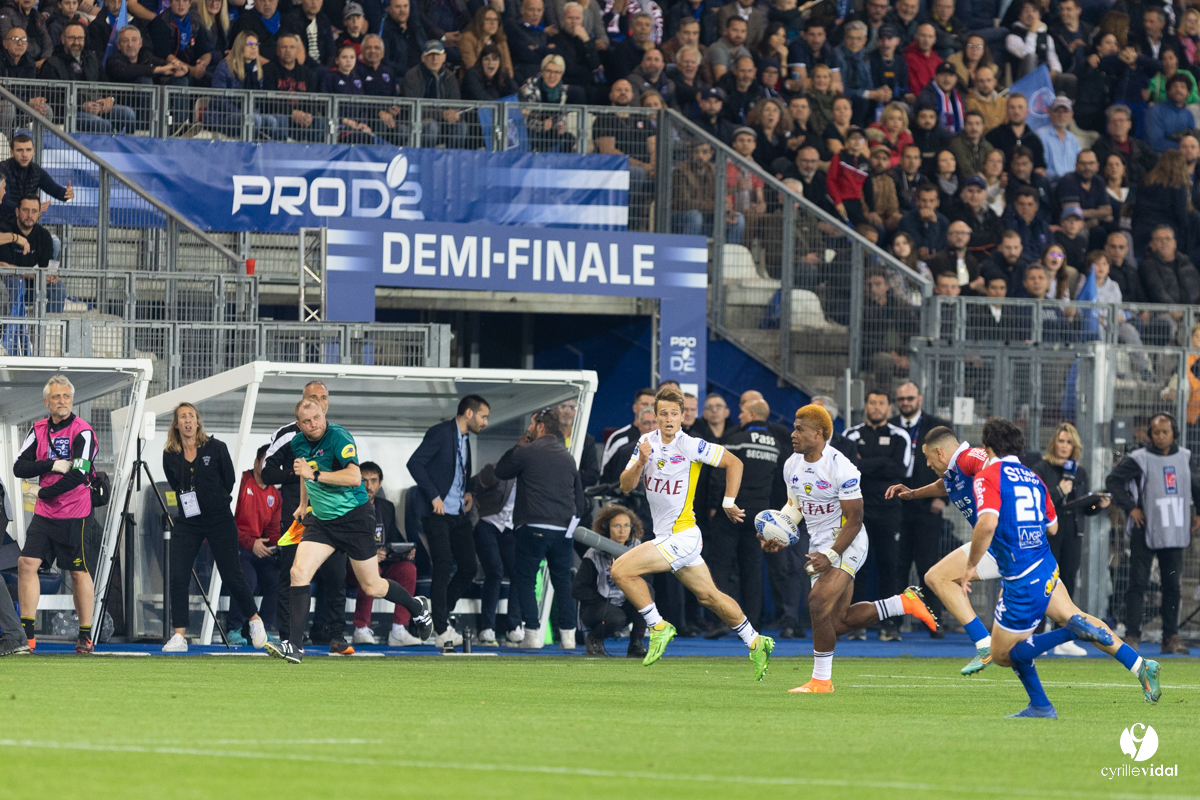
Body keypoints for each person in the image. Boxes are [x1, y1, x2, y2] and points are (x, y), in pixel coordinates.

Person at [886, 425, 1162, 701]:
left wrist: (972, 563)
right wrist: (913, 493)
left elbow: (990, 468)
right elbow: (948, 485)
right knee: (1071, 615)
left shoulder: (970, 458)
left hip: (1001, 546)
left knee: (938, 578)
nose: (927, 463)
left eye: (927, 457)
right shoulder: (956, 471)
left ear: (939, 451)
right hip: (1032, 550)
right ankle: (1140, 666)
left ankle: (984, 645)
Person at [761, 405, 936, 692]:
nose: (793, 434)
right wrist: (780, 533)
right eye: (794, 427)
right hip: (819, 544)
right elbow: (795, 507)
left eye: (799, 429)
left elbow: (855, 519)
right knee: (837, 621)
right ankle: (902, 604)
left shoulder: (841, 466)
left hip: (848, 540)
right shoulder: (791, 464)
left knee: (817, 603)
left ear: (818, 434)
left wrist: (830, 556)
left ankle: (821, 681)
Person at [964, 417, 1131, 718]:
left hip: (1020, 574)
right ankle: (1040, 705)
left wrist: (970, 567)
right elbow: (1052, 526)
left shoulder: (988, 475)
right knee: (1015, 649)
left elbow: (987, 522)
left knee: (1002, 654)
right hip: (1045, 565)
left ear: (986, 448)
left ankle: (1072, 633)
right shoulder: (1034, 478)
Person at [609, 387, 774, 675]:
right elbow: (625, 486)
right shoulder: (646, 442)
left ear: (683, 416)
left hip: (683, 535)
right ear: (655, 417)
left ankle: (658, 627)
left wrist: (728, 501)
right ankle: (756, 641)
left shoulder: (691, 445)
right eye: (664, 414)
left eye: (675, 414)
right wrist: (640, 462)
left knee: (621, 570)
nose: (670, 419)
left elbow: (734, 463)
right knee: (710, 597)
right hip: (667, 537)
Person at [265, 399, 433, 664]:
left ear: (324, 414)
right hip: (321, 521)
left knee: (372, 586)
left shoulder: (338, 436)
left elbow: (354, 477)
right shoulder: (297, 442)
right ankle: (294, 646)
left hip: (354, 518)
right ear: (299, 425)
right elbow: (303, 474)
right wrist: (302, 504)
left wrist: (316, 475)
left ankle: (417, 607)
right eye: (307, 422)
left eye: (317, 418)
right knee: (298, 573)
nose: (314, 425)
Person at [159, 403, 267, 654]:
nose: (187, 421)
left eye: (192, 416)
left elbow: (229, 481)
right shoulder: (169, 454)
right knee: (178, 576)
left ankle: (254, 620)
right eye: (182, 417)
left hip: (219, 517)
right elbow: (175, 484)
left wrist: (212, 499)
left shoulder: (216, 448)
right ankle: (179, 636)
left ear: (198, 422)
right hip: (188, 520)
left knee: (232, 574)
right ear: (176, 424)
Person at [12, 376, 101, 653]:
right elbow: (19, 467)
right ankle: (26, 636)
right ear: (46, 401)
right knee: (26, 563)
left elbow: (80, 473)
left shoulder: (83, 431)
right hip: (45, 515)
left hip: (76, 512)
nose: (61, 401)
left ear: (72, 400)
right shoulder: (38, 429)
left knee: (77, 572)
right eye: (56, 397)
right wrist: (52, 464)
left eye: (65, 396)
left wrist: (45, 492)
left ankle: (85, 635)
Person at [261, 381, 351, 653]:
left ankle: (333, 634)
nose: (318, 402)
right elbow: (267, 473)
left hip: (333, 514)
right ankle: (290, 638)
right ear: (301, 404)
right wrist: (298, 473)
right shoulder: (288, 435)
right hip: (296, 516)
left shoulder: (337, 435)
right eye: (312, 398)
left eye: (323, 398)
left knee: (336, 575)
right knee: (293, 574)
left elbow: (349, 474)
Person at [493, 408, 586, 649]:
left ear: (541, 426)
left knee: (525, 579)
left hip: (532, 526)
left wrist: (519, 444)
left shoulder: (526, 451)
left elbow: (500, 471)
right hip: (563, 529)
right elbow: (581, 500)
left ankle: (532, 635)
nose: (530, 428)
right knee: (562, 581)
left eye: (532, 424)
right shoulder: (567, 457)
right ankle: (568, 637)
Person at [1107, 414, 1199, 656]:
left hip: (1175, 530)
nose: (1160, 436)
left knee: (1172, 586)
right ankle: (1132, 635)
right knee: (1137, 583)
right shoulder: (1139, 459)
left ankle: (1170, 636)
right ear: (1150, 434)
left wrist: (1197, 512)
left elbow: (1196, 485)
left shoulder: (1185, 458)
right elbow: (1113, 480)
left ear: (1174, 433)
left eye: (1165, 432)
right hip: (1145, 529)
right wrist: (1131, 508)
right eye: (1156, 432)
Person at [405, 394, 488, 647]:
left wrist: (469, 491)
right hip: (437, 513)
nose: (486, 422)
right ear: (469, 413)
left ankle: (434, 616)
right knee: (442, 565)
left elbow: (459, 470)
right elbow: (414, 463)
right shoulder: (441, 432)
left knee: (468, 567)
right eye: (484, 416)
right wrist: (434, 496)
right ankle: (441, 631)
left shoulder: (465, 438)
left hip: (457, 514)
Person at [702, 398, 784, 636]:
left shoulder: (734, 439)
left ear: (750, 414)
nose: (738, 417)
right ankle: (753, 625)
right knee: (753, 570)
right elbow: (779, 482)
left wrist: (714, 505)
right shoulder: (777, 444)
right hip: (759, 515)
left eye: (741, 413)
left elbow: (719, 475)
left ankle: (721, 621)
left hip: (731, 512)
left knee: (721, 568)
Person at [1031, 423, 1109, 655]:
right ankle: (1036, 636)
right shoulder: (1041, 468)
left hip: (1073, 534)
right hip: (1048, 535)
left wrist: (1097, 504)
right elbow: (1038, 501)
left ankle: (1063, 638)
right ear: (1054, 442)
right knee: (1044, 584)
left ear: (1075, 446)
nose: (1064, 446)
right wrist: (1058, 490)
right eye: (1061, 441)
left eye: (1069, 442)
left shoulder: (1080, 472)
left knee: (1068, 582)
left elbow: (1081, 507)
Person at [843, 389, 912, 641]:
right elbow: (849, 469)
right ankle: (856, 624)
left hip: (889, 511)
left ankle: (889, 624)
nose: (876, 407)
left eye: (881, 402)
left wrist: (867, 463)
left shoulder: (900, 435)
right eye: (872, 402)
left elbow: (902, 470)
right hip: (857, 512)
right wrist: (883, 462)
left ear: (889, 408)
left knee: (889, 567)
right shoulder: (851, 434)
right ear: (865, 406)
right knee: (856, 567)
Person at [888, 382, 954, 631]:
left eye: (909, 398)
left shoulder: (936, 427)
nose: (905, 403)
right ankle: (893, 624)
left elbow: (951, 461)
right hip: (897, 509)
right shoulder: (891, 426)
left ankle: (933, 623)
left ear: (920, 399)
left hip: (928, 508)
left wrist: (942, 499)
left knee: (929, 567)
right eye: (901, 399)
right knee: (897, 566)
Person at [349, 461, 421, 647]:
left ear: (380, 483)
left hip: (383, 564)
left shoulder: (387, 507)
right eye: (364, 480)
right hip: (354, 566)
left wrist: (405, 551)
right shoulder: (348, 506)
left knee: (408, 569)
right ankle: (360, 629)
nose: (368, 486)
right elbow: (345, 542)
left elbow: (393, 538)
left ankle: (399, 630)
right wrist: (370, 554)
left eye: (373, 481)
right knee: (371, 570)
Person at [572, 504, 646, 657]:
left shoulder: (638, 550)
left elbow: (648, 580)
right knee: (616, 617)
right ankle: (594, 640)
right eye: (616, 526)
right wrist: (601, 600)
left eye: (626, 526)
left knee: (647, 595)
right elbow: (578, 589)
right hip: (597, 608)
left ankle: (636, 643)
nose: (622, 530)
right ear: (606, 528)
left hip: (624, 603)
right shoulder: (593, 554)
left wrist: (626, 575)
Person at [226, 444, 281, 646]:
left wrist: (280, 549)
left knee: (278, 577)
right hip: (235, 546)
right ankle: (233, 628)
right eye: (265, 462)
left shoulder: (275, 495)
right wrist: (251, 543)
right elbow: (227, 522)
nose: (268, 467)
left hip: (258, 549)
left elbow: (274, 532)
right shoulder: (240, 482)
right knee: (246, 577)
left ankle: (260, 630)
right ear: (256, 462)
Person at [470, 458, 519, 646]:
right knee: (495, 571)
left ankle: (514, 626)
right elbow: (471, 487)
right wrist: (474, 520)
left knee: (518, 572)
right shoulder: (498, 469)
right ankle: (487, 628)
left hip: (510, 527)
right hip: (487, 523)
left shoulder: (533, 476)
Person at [0, 195, 58, 317]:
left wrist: (51, 275)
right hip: (8, 281)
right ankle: (12, 332)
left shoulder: (44, 236)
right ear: (17, 211)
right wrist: (34, 275)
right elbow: (6, 268)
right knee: (17, 283)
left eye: (34, 211)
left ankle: (49, 331)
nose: (30, 215)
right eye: (25, 210)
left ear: (39, 214)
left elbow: (46, 266)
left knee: (58, 288)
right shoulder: (5, 229)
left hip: (32, 282)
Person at [600, 387, 657, 480]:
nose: (649, 407)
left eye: (653, 405)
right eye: (645, 404)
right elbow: (605, 474)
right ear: (635, 407)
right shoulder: (619, 438)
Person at [985, 92, 1046, 172]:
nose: (1016, 111)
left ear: (1027, 111)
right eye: (1012, 107)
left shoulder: (1034, 140)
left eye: (1020, 107)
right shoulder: (994, 136)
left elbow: (1039, 169)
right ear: (1006, 111)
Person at [1036, 96, 1081, 184]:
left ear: (1071, 114)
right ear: (1050, 113)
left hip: (1072, 184)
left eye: (1065, 111)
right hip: (1050, 184)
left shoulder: (1074, 139)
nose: (1061, 115)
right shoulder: (1041, 135)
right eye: (1057, 111)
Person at [899, 183, 949, 260]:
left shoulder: (944, 222)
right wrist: (933, 223)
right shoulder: (907, 220)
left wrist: (934, 222)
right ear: (917, 201)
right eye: (924, 200)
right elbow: (924, 250)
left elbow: (942, 248)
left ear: (937, 203)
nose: (927, 205)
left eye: (931, 201)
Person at [459, 5, 512, 77]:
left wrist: (505, 80)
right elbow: (471, 66)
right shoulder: (468, 38)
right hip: (476, 80)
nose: (493, 23)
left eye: (495, 19)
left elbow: (508, 67)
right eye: (488, 19)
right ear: (480, 21)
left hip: (498, 81)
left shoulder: (501, 40)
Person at [281, 0, 334, 69]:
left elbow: (331, 49)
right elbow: (298, 52)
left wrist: (328, 68)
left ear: (322, 2)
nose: (314, 2)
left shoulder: (324, 19)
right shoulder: (292, 19)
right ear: (302, 1)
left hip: (323, 68)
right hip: (303, 68)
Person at [380, 0, 427, 74]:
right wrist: (409, 73)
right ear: (389, 9)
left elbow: (426, 49)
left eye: (405, 6)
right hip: (401, 77)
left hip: (423, 74)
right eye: (398, 7)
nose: (402, 10)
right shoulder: (385, 31)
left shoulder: (417, 27)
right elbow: (385, 61)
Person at [918, 61, 965, 133]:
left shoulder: (959, 98)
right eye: (943, 75)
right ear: (935, 77)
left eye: (951, 75)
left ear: (956, 79)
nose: (947, 79)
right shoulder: (926, 96)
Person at [703, 16, 749, 85]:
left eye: (743, 31)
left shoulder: (744, 51)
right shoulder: (717, 49)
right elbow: (722, 81)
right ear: (726, 31)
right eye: (735, 30)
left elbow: (750, 76)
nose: (739, 35)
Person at [904, 22, 941, 94]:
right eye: (923, 35)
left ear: (934, 40)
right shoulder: (908, 59)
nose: (926, 40)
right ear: (916, 37)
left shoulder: (938, 61)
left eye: (930, 37)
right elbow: (914, 88)